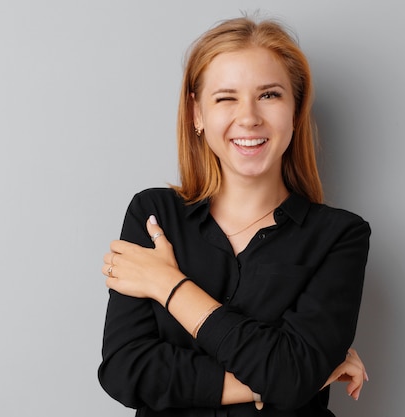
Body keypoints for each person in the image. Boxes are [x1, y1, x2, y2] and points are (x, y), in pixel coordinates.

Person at [98, 16, 371, 416]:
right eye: (226, 97)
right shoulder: (153, 215)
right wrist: (280, 382)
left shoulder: (340, 236)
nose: (248, 118)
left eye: (270, 95)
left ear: (295, 110)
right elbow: (126, 371)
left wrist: (170, 286)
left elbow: (291, 376)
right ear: (197, 113)